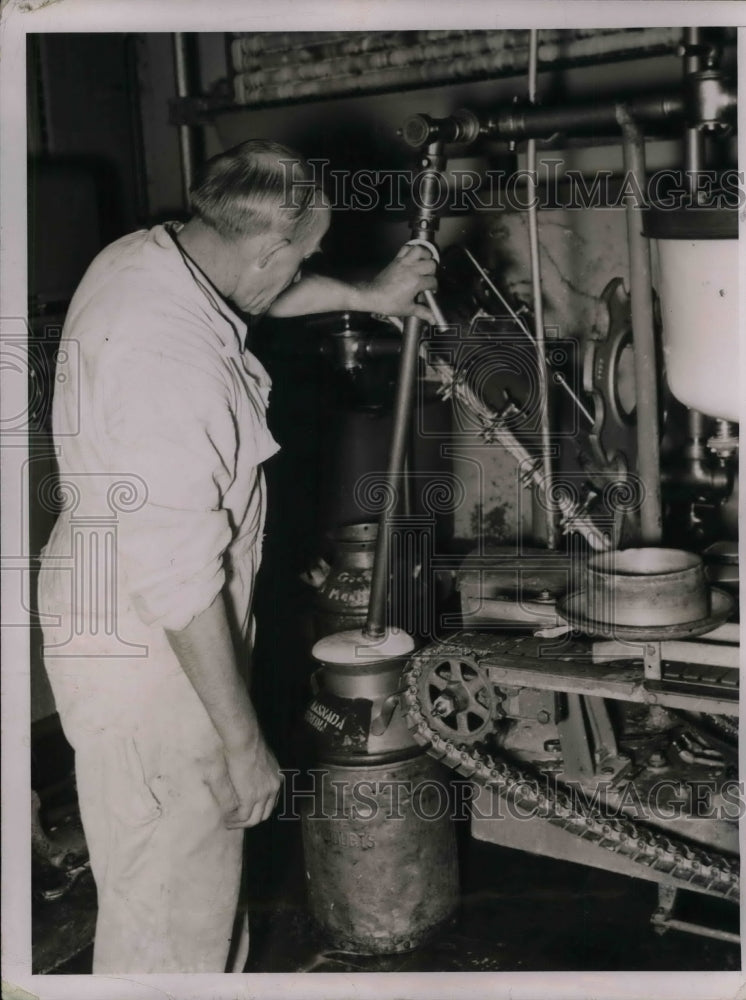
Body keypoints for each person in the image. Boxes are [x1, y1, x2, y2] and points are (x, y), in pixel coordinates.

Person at [38, 139, 437, 973]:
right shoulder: (165, 368)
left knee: (199, 887)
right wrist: (244, 741)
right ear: (264, 247)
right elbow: (181, 589)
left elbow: (261, 296)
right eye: (300, 255)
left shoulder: (157, 257)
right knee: (169, 904)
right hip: (151, 643)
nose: (301, 270)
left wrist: (372, 294)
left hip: (137, 597)